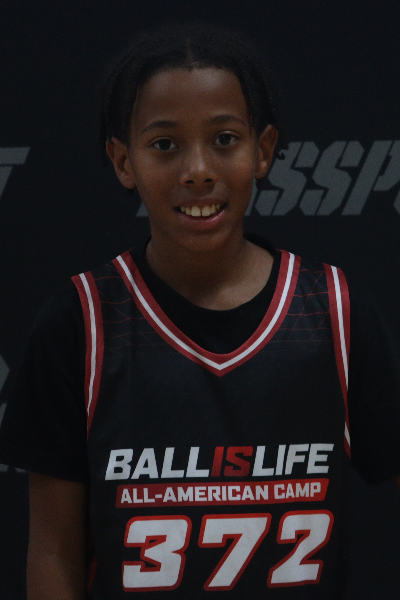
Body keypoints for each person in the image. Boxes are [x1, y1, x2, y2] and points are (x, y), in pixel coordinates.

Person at [1, 21, 400, 600]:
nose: (198, 170)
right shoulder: (80, 323)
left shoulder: (335, 313)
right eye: (164, 145)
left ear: (263, 150)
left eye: (224, 139)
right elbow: (53, 553)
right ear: (123, 161)